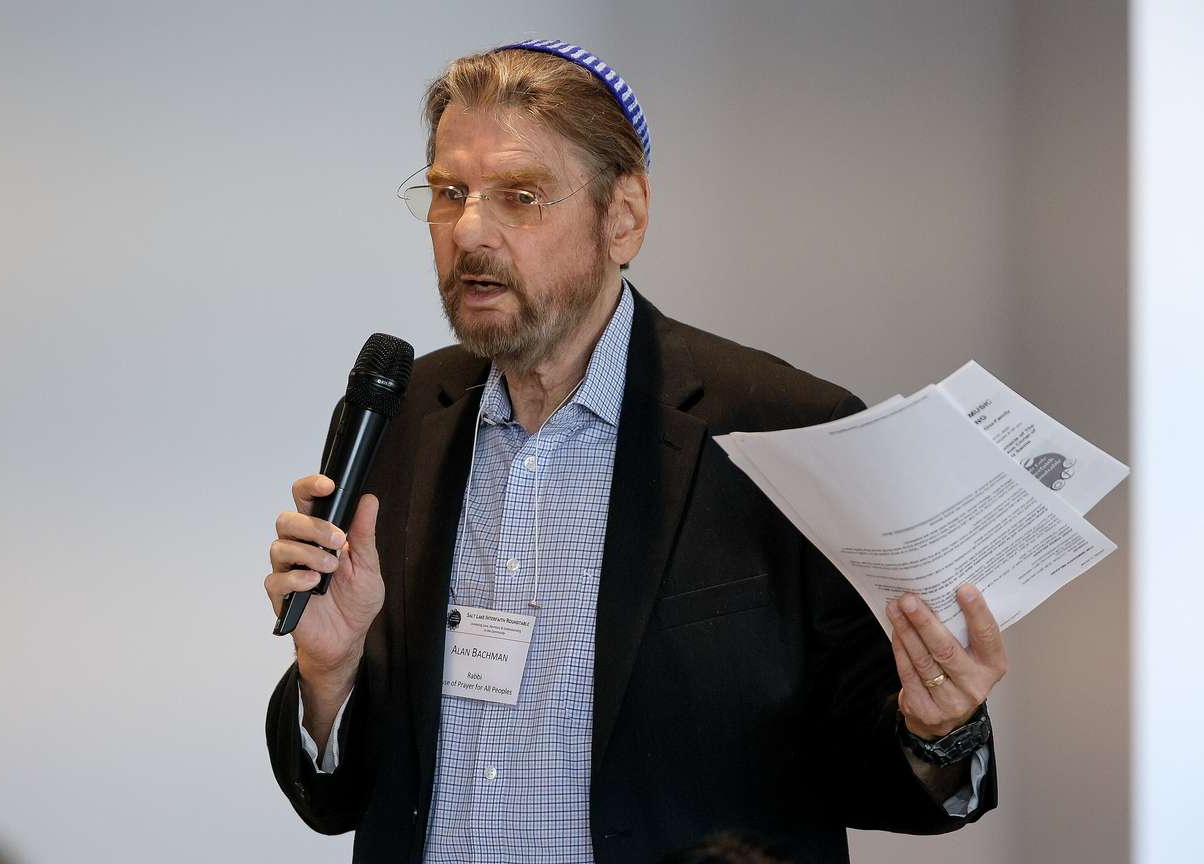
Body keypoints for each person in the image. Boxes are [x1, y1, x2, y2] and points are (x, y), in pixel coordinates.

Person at [264, 39, 1007, 864]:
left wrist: (938, 731)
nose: (470, 231)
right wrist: (328, 676)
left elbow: (867, 767)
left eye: (520, 195)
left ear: (624, 217)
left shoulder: (782, 429)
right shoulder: (404, 416)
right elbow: (344, 801)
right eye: (450, 193)